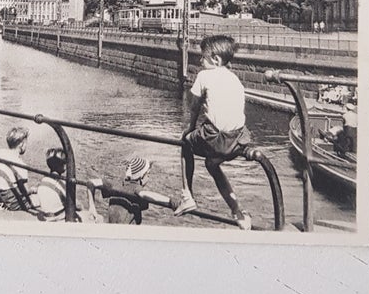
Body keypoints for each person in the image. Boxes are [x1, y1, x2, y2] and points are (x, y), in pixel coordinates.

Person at [174, 35, 252, 230]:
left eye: (203, 57)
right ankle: (237, 212)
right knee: (211, 164)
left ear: (215, 60)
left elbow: (194, 108)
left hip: (216, 138)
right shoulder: (235, 78)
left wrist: (190, 130)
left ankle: (187, 195)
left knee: (185, 142)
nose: (200, 61)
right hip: (238, 140)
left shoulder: (204, 76)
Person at [87, 156, 170, 225]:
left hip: (112, 229)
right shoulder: (137, 190)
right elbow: (146, 194)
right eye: (148, 175)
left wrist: (92, 208)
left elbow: (91, 182)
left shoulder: (114, 184)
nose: (149, 178)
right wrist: (172, 203)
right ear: (141, 176)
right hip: (127, 232)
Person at [0, 126, 38, 212]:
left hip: (0, 196)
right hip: (13, 202)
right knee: (39, 199)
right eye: (26, 143)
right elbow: (26, 191)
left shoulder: (0, 152)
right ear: (21, 144)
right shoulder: (21, 165)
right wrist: (33, 190)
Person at [36, 147, 76, 222]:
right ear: (62, 165)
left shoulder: (43, 180)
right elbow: (74, 204)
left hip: (46, 216)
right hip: (58, 218)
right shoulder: (61, 183)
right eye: (64, 163)